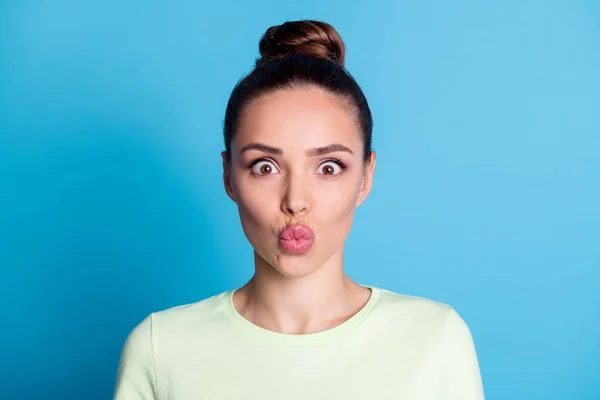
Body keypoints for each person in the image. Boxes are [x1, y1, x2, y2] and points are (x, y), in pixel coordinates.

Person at [113, 20, 485, 400]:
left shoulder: (434, 340)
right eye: (265, 167)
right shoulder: (162, 349)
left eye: (328, 167)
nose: (295, 200)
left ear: (366, 176)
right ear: (228, 177)